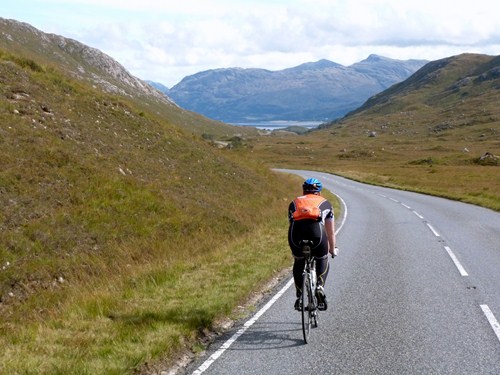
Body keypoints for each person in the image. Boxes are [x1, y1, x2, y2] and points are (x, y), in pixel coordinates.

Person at [288, 177, 337, 311]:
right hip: (317, 234)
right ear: (319, 192)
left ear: (303, 190)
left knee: (298, 261)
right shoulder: (326, 203)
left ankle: (299, 296)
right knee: (322, 258)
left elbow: (291, 224)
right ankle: (320, 286)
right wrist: (332, 249)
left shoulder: (294, 202)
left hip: (295, 234)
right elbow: (330, 231)